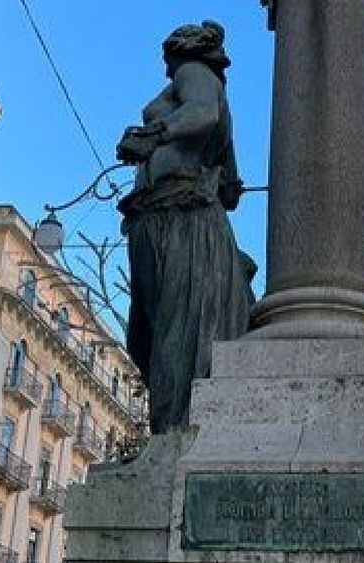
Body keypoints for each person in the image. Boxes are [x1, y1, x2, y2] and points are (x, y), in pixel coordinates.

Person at [116, 21, 252, 435]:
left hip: (179, 216)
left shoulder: (193, 72)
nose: (164, 60)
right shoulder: (203, 81)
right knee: (156, 330)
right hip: (169, 213)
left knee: (171, 327)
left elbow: (202, 114)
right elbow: (229, 177)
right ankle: (172, 423)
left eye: (167, 51)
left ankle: (174, 429)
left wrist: (152, 134)